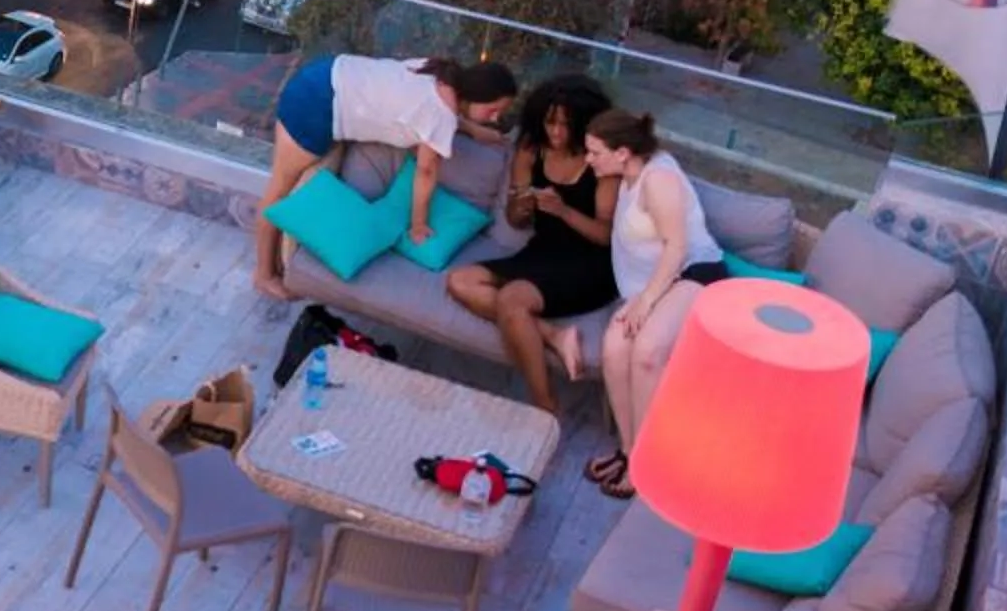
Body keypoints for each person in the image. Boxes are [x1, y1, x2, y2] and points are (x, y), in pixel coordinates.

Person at [552, 108, 726, 497]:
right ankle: (629, 452)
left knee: (647, 352)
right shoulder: (624, 176)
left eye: (596, 152)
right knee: (614, 349)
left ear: (623, 152)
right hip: (655, 284)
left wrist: (646, 302)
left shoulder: (658, 179)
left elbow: (677, 246)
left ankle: (650, 464)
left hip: (693, 274)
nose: (589, 159)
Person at [252, 55, 519, 299]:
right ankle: (263, 275)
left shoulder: (440, 72)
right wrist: (417, 225)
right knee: (278, 193)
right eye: (493, 110)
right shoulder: (441, 116)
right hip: (314, 106)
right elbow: (425, 172)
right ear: (476, 95)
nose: (496, 118)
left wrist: (474, 130)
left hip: (323, 73)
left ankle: (270, 268)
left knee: (279, 192)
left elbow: (429, 111)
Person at [443, 73, 619, 414]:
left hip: (591, 263)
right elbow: (515, 219)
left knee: (512, 299)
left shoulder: (599, 161)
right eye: (549, 122)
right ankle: (553, 335)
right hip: (542, 253)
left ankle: (544, 407)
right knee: (460, 281)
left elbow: (606, 236)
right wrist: (520, 208)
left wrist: (563, 211)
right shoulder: (530, 149)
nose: (555, 132)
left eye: (565, 125)